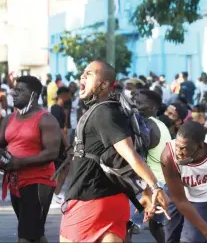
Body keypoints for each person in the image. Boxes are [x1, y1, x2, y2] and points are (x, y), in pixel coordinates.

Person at [60, 61, 169, 243]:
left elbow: (130, 155)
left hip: (90, 201)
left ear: (104, 84)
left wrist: (154, 186)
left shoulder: (104, 112)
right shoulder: (110, 110)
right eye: (83, 74)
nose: (82, 77)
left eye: (89, 74)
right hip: (111, 200)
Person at [0, 76, 61, 243]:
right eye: (15, 90)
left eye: (20, 91)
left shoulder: (46, 119)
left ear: (33, 95)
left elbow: (51, 153)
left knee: (26, 235)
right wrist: (1, 161)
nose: (14, 94)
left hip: (38, 182)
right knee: (34, 233)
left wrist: (20, 162)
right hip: (15, 182)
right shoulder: (9, 119)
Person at [135, 90, 171, 243]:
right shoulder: (160, 124)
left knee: (126, 226)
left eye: (139, 104)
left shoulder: (147, 125)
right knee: (156, 225)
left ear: (153, 106)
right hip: (161, 184)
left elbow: (139, 158)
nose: (135, 107)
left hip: (151, 186)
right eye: (135, 102)